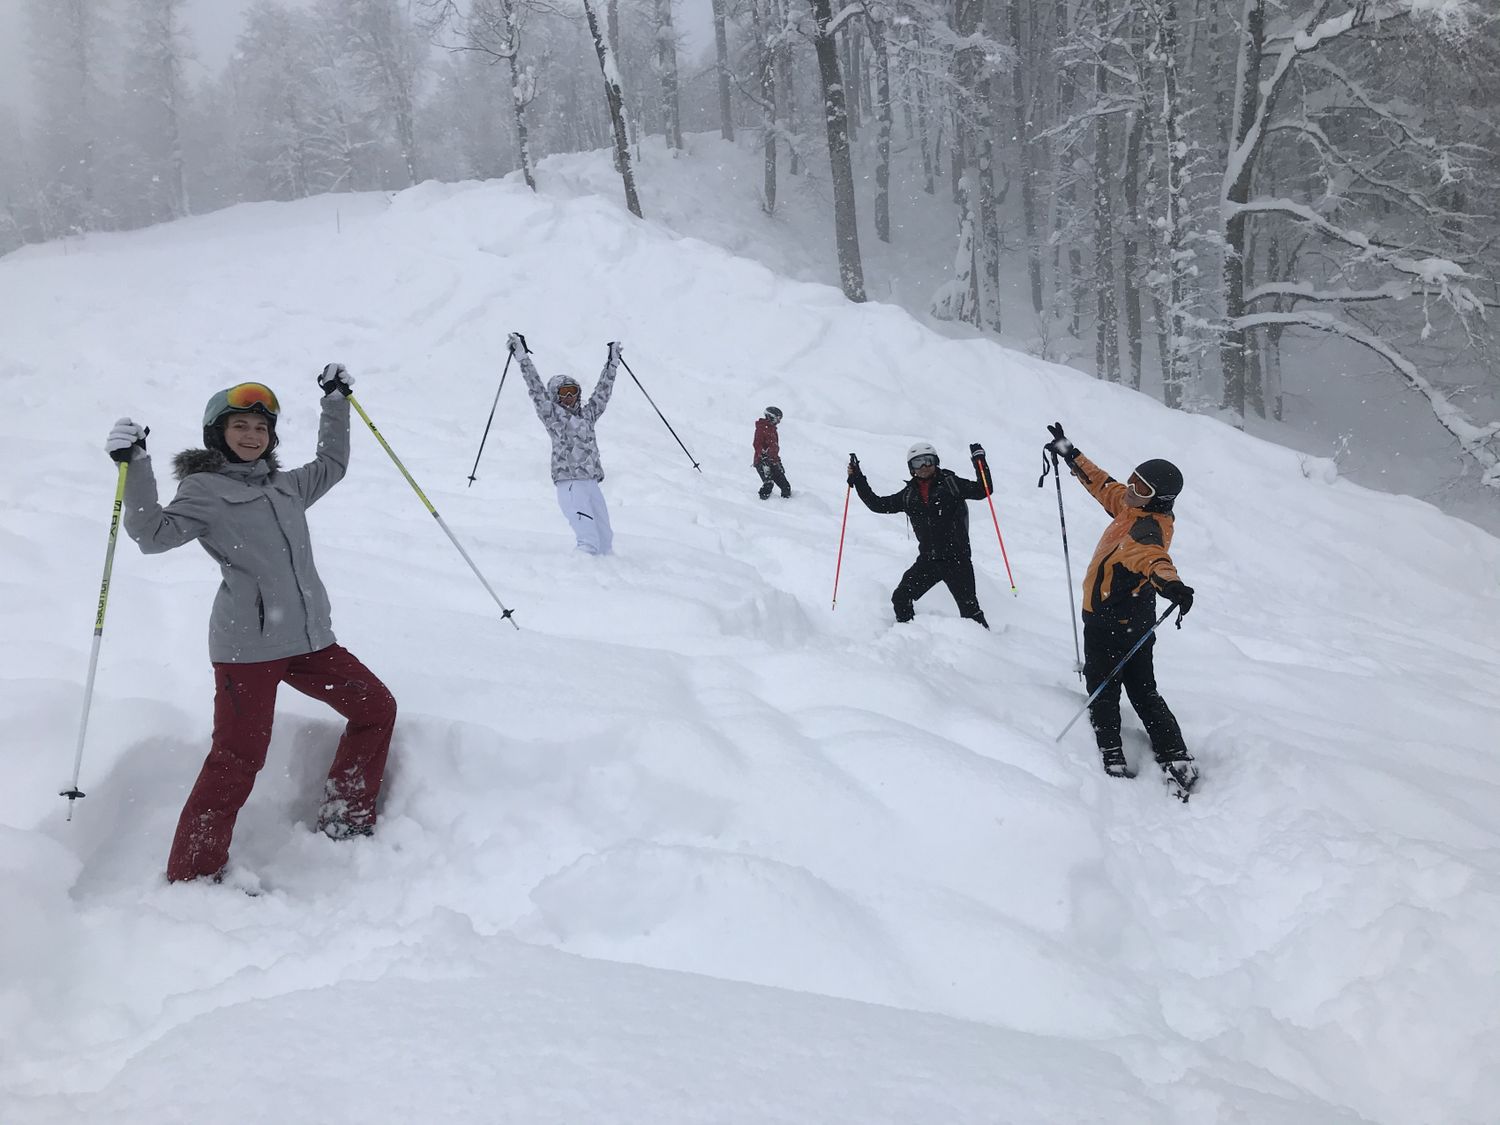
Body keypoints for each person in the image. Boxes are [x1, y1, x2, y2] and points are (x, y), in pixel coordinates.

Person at [106, 367, 398, 884]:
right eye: (239, 426)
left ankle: (345, 816)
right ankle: (194, 874)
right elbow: (152, 536)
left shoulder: (286, 487)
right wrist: (137, 465)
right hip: (248, 650)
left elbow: (332, 463)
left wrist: (335, 401)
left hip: (309, 641)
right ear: (218, 434)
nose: (251, 436)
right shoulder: (205, 490)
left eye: (261, 429)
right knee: (238, 757)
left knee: (375, 708)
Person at [1043, 422, 1197, 795]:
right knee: (1143, 688)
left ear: (1158, 498)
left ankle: (1113, 751)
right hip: (1135, 619)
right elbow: (1104, 485)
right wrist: (1071, 454)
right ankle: (1172, 750)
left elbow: (1155, 561)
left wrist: (1171, 585)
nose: (1129, 489)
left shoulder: (1146, 531)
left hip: (1108, 622)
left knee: (1104, 686)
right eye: (1133, 479)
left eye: (1140, 488)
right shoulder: (1131, 508)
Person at [846, 442, 991, 628]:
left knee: (970, 610)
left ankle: (987, 647)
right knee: (901, 598)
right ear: (911, 469)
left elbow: (984, 490)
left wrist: (979, 460)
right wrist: (858, 479)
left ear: (936, 462)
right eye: (918, 463)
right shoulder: (909, 495)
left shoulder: (951, 484)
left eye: (928, 461)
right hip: (929, 560)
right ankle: (910, 636)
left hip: (957, 560)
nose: (924, 467)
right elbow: (877, 504)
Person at [509, 332, 620, 555]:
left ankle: (607, 572)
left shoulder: (587, 415)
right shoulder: (552, 415)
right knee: (588, 539)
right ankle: (580, 572)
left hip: (591, 481)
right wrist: (523, 359)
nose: (569, 397)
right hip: (570, 482)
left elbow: (602, 394)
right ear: (555, 396)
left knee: (605, 538)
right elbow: (537, 390)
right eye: (563, 393)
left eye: (573, 392)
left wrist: (612, 364)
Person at [753, 406, 792, 499]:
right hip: (762, 461)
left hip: (773, 461)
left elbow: (774, 449)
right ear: (770, 417)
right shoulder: (761, 428)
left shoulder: (773, 430)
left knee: (786, 486)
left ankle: (786, 505)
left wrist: (778, 462)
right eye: (777, 419)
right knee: (769, 483)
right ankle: (760, 503)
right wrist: (763, 455)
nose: (779, 421)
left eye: (780, 419)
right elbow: (757, 444)